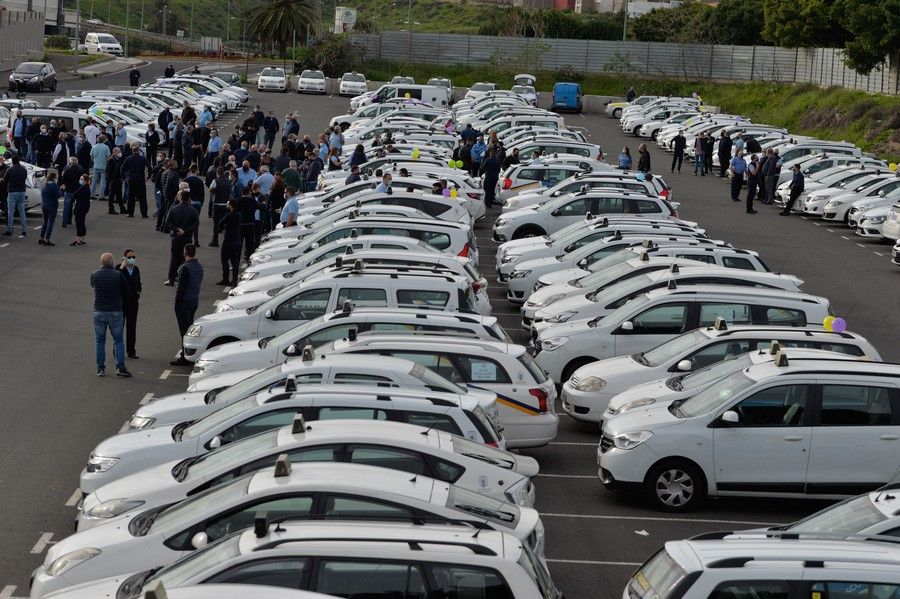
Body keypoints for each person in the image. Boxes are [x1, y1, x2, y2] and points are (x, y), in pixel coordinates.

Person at [90, 252, 132, 377]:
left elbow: (93, 285)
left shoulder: (95, 274)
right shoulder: (118, 275)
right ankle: (120, 367)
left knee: (100, 341)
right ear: (112, 262)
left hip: (99, 311)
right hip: (115, 311)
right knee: (118, 340)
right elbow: (127, 292)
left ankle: (100, 368)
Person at [171, 243, 203, 366]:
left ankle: (185, 356)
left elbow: (181, 288)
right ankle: (188, 353)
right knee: (189, 327)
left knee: (183, 330)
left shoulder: (185, 267)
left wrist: (176, 302)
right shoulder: (199, 266)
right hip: (194, 300)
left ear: (185, 253)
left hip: (184, 302)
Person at [165, 191, 199, 285]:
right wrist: (185, 230)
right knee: (186, 259)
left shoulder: (174, 209)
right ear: (189, 199)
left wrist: (177, 229)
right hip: (187, 238)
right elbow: (195, 224)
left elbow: (168, 222)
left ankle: (171, 279)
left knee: (174, 258)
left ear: (180, 198)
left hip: (176, 237)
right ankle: (183, 278)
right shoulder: (193, 211)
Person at [117, 249, 142, 359]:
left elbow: (139, 283)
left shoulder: (136, 269)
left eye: (133, 257)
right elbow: (116, 280)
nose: (132, 259)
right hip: (122, 303)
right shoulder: (119, 268)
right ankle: (117, 350)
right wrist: (122, 267)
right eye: (130, 257)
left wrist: (138, 291)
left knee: (131, 328)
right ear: (124, 258)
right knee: (119, 328)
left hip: (133, 303)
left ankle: (131, 351)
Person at [2, 155, 28, 238]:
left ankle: (9, 229)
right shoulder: (24, 169)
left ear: (12, 161)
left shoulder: (10, 170)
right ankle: (24, 230)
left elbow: (4, 180)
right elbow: (24, 178)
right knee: (22, 212)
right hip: (21, 192)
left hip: (12, 192)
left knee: (10, 212)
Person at [217, 199, 242, 286]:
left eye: (228, 204)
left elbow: (220, 223)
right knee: (234, 261)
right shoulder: (239, 215)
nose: (226, 206)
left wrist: (224, 227)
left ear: (231, 205)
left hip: (228, 240)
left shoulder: (229, 215)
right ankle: (234, 280)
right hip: (237, 240)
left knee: (224, 260)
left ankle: (225, 278)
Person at [121, 144, 150, 218]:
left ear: (132, 151)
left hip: (132, 178)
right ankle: (144, 213)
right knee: (143, 197)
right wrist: (148, 177)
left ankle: (130, 213)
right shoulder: (142, 158)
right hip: (140, 178)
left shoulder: (128, 158)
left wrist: (124, 178)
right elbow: (150, 168)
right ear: (138, 151)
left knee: (131, 197)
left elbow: (122, 168)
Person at [208, 166, 231, 247]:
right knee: (225, 224)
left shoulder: (215, 181)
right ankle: (227, 242)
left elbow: (210, 190)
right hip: (226, 205)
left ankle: (215, 241)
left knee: (216, 224)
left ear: (217, 173)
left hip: (217, 204)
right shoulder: (228, 181)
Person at [39, 171, 62, 246]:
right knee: (51, 222)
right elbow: (58, 195)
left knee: (45, 222)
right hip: (52, 206)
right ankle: (47, 238)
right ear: (53, 178)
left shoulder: (44, 184)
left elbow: (42, 194)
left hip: (44, 205)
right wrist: (61, 189)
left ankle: (41, 237)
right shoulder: (54, 186)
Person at [236, 186, 258, 260]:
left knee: (239, 244)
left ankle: (236, 261)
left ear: (241, 192)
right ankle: (249, 258)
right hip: (250, 224)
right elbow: (256, 208)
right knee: (249, 244)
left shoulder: (238, 201)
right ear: (249, 192)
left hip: (240, 224)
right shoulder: (253, 201)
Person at [185, 165, 205, 245]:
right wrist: (201, 203)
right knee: (195, 222)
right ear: (196, 170)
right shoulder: (200, 181)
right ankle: (196, 240)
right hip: (197, 203)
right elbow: (202, 194)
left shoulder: (186, 180)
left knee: (187, 221)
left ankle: (188, 239)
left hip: (188, 202)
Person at [90, 135, 111, 205]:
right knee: (103, 181)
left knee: (94, 181)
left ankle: (91, 194)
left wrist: (95, 161)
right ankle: (101, 195)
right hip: (103, 166)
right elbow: (108, 157)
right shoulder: (106, 147)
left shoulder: (94, 147)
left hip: (96, 165)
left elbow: (92, 157)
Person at [71, 174, 91, 246]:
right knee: (82, 222)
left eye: (81, 179)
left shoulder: (83, 187)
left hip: (80, 207)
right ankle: (83, 239)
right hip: (85, 207)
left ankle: (78, 240)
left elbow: (74, 195)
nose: (80, 180)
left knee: (79, 223)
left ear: (85, 180)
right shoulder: (87, 187)